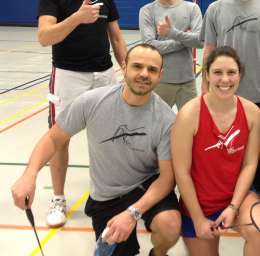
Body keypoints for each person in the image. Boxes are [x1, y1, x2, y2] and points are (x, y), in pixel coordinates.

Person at [12, 44, 182, 256]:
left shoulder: (167, 120)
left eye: (152, 70)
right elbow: (52, 139)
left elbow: (167, 179)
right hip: (107, 193)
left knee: (170, 226)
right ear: (124, 67)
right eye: (137, 66)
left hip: (145, 184)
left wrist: (132, 214)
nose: (144, 74)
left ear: (160, 75)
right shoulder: (92, 102)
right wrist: (30, 174)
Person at [36, 0, 128, 228]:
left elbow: (115, 35)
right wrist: (77, 17)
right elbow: (44, 37)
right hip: (67, 75)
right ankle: (58, 199)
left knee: (108, 138)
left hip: (104, 75)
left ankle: (107, 196)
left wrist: (124, 64)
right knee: (60, 139)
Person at [171, 46, 260, 256]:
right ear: (206, 74)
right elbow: (181, 172)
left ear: (240, 75)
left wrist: (234, 207)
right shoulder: (189, 114)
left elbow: (250, 164)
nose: (224, 79)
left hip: (239, 197)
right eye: (217, 72)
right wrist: (198, 218)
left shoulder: (252, 112)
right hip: (199, 203)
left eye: (231, 73)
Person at [139, 0, 204, 110]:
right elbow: (150, 47)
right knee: (156, 128)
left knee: (190, 128)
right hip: (159, 82)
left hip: (187, 82)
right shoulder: (147, 11)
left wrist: (172, 33)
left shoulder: (192, 8)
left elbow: (199, 41)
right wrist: (183, 40)